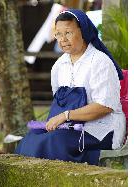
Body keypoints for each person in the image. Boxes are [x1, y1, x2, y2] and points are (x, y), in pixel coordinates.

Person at [15, 9, 126, 165]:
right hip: (70, 127)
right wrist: (61, 118)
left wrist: (65, 116)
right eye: (58, 34)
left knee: (52, 142)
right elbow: (59, 102)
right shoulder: (59, 66)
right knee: (30, 139)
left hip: (101, 129)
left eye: (68, 32)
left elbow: (104, 107)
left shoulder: (100, 62)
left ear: (83, 31)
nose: (62, 39)